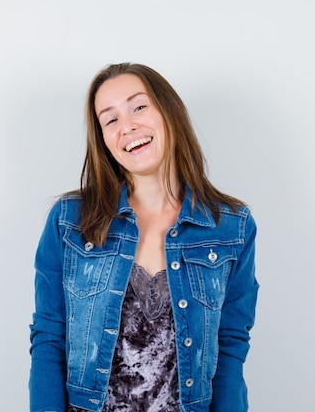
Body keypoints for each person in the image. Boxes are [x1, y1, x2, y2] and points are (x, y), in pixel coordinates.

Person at [29, 62, 258, 412]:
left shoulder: (231, 228)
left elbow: (229, 349)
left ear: (168, 111)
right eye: (110, 119)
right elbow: (49, 340)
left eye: (138, 106)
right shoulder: (69, 221)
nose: (127, 127)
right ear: (103, 139)